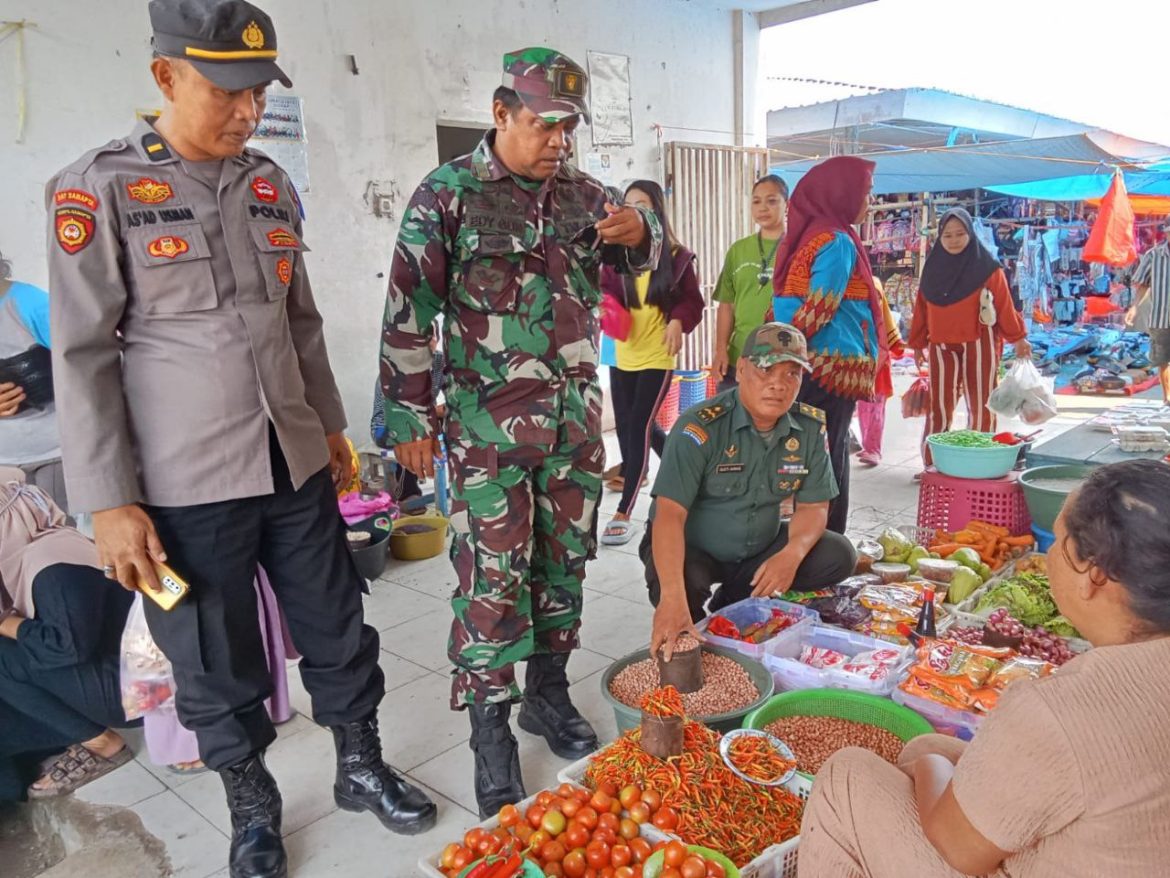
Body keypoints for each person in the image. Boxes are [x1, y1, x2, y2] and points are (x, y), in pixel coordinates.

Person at [46, 2, 436, 875]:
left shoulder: (268, 183)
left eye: (258, 90)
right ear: (166, 77)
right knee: (213, 656)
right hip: (185, 482)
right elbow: (80, 358)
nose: (248, 110)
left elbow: (300, 321)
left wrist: (331, 426)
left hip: (291, 459)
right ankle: (252, 806)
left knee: (337, 624)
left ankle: (361, 766)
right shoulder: (98, 189)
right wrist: (109, 501)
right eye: (228, 90)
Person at [381, 47, 661, 818]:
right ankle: (490, 733)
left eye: (568, 128)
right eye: (544, 124)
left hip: (574, 425)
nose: (557, 142)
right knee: (492, 582)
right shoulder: (448, 194)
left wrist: (642, 230)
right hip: (488, 435)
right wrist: (405, 414)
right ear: (502, 111)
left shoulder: (583, 194)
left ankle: (547, 695)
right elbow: (410, 308)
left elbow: (656, 263)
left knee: (563, 566)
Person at [798, 459, 1170, 877]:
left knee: (848, 773)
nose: (1046, 555)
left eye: (1057, 542)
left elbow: (960, 849)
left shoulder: (1057, 709)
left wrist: (929, 770)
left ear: (1093, 576)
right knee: (926, 745)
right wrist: (930, 761)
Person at [645, 323, 857, 659]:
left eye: (792, 373)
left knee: (838, 554)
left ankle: (732, 602)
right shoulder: (699, 427)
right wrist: (672, 597)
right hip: (695, 548)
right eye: (765, 369)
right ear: (741, 370)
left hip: (758, 546)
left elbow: (815, 506)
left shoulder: (809, 428)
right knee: (680, 581)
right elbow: (669, 515)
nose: (778, 383)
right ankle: (696, 630)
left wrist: (792, 554)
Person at [0, 472, 135, 804]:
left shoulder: (52, 562)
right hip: (109, 677)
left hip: (140, 690)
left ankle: (101, 743)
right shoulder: (27, 559)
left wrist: (5, 623)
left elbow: (66, 647)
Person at [771, 157, 885, 535]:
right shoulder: (831, 239)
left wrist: (778, 351)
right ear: (841, 194)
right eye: (866, 193)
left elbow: (820, 309)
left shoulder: (829, 238)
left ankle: (826, 540)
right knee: (818, 453)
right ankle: (816, 537)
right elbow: (810, 304)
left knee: (825, 455)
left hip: (826, 366)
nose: (870, 201)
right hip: (816, 363)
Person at [600, 180, 704, 546]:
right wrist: (603, 305)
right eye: (628, 204)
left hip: (658, 355)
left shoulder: (676, 256)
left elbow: (692, 302)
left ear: (656, 212)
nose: (634, 212)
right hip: (622, 354)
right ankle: (692, 475)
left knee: (638, 427)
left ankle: (625, 508)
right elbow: (604, 294)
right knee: (634, 426)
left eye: (642, 205)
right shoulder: (614, 256)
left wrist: (678, 320)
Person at [908, 208, 1031, 468]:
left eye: (960, 234)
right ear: (939, 238)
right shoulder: (932, 270)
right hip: (940, 344)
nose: (953, 240)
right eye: (948, 235)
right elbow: (921, 307)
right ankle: (933, 464)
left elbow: (1005, 306)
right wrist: (917, 342)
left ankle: (979, 462)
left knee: (982, 405)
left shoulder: (988, 270)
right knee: (939, 406)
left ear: (971, 234)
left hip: (980, 342)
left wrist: (1019, 338)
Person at [0, 251, 68, 511]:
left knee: (56, 543)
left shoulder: (30, 304)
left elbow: (88, 368)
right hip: (3, 461)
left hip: (53, 454)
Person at [711, 176, 789, 391]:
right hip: (740, 358)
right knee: (732, 422)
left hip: (782, 360)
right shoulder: (738, 250)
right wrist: (721, 350)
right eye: (756, 201)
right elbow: (726, 305)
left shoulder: (799, 250)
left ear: (787, 205)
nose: (763, 207)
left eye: (772, 201)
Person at [854, 279, 905, 467]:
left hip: (878, 357)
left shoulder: (872, 284)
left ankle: (874, 449)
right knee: (862, 405)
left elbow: (886, 321)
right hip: (858, 355)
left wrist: (897, 346)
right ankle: (868, 445)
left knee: (875, 406)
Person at [1127, 220, 1170, 405]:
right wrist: (1134, 307)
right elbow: (1143, 283)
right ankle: (1167, 398)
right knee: (1163, 360)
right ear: (1166, 233)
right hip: (1160, 318)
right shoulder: (1153, 256)